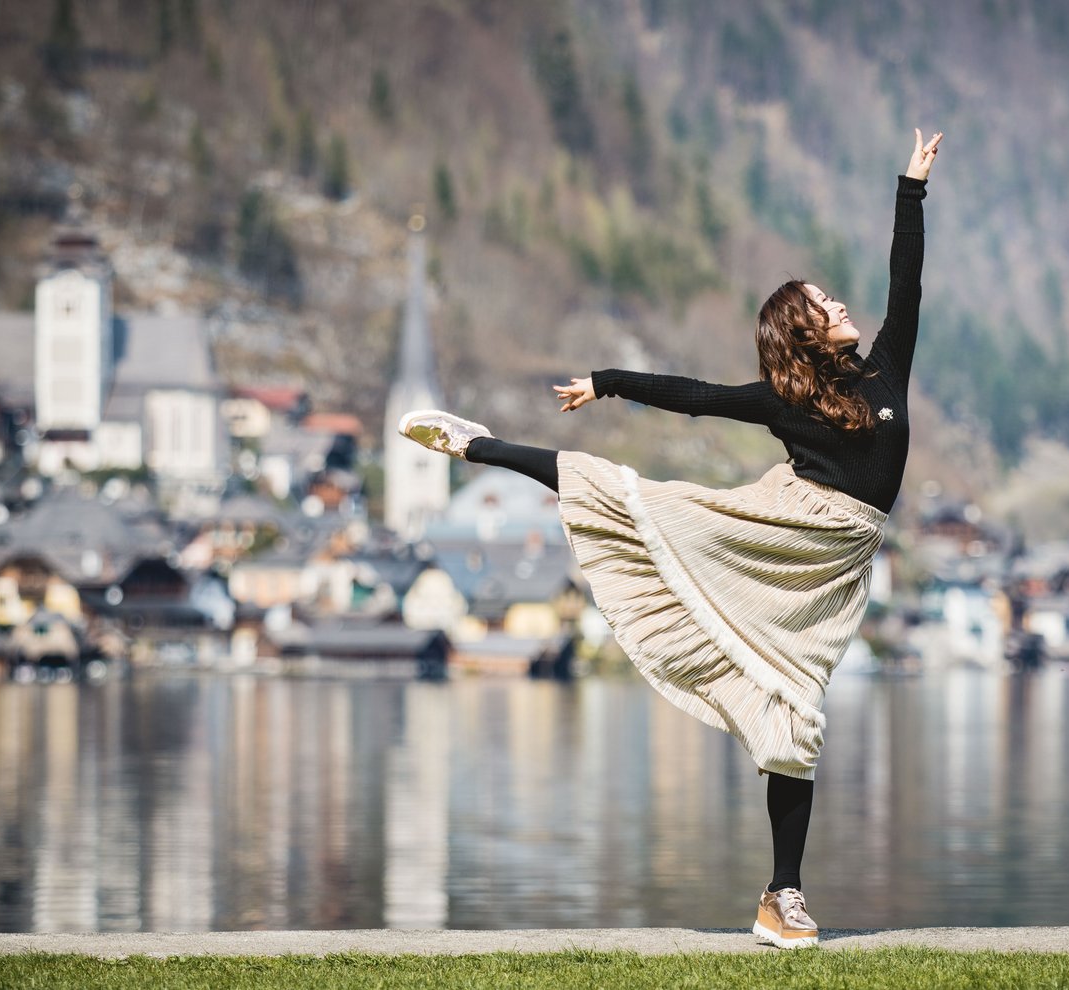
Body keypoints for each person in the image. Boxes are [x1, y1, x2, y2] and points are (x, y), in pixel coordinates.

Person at [399, 128, 942, 948]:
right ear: (802, 330)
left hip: (834, 569)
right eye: (825, 304)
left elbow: (910, 278)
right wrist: (605, 382)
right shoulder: (780, 401)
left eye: (835, 299)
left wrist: (912, 185)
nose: (842, 307)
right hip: (781, 530)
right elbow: (693, 396)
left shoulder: (887, 369)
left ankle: (777, 900)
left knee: (793, 720)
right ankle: (478, 445)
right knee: (629, 496)